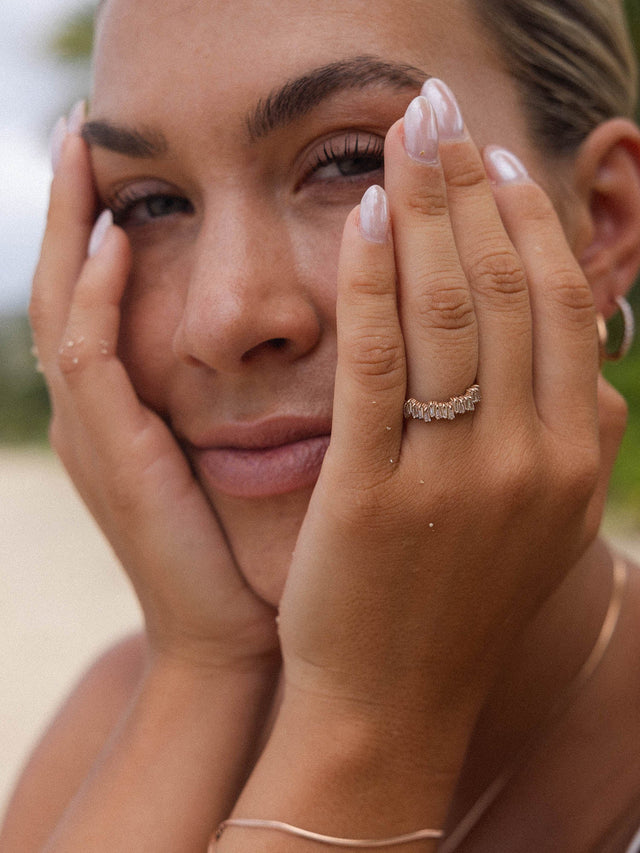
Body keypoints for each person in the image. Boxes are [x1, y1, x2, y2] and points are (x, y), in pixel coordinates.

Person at [1, 0, 640, 850]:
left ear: (601, 221)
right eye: (151, 205)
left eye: (347, 161)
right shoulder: (120, 712)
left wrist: (369, 710)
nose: (221, 317)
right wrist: (205, 661)